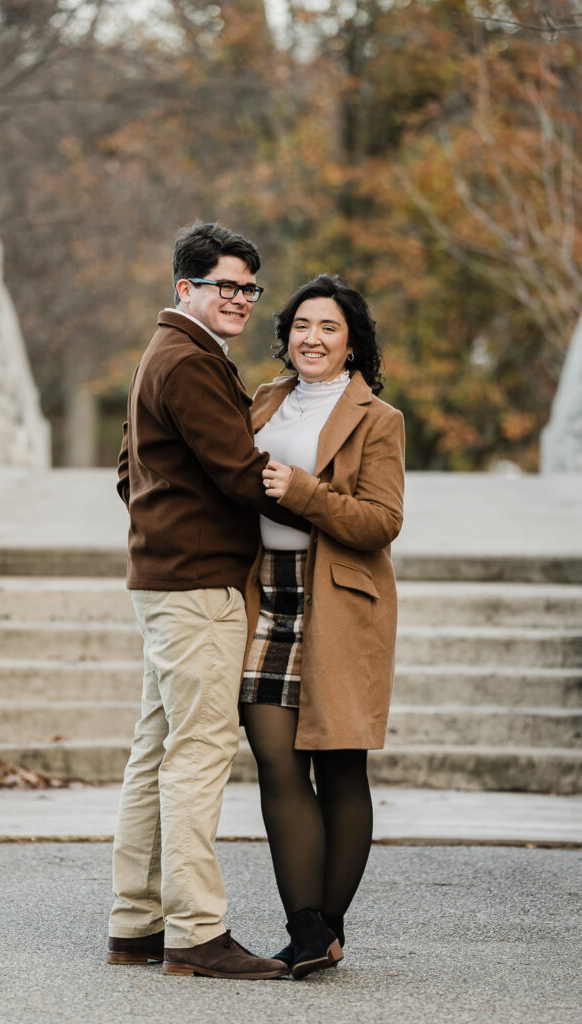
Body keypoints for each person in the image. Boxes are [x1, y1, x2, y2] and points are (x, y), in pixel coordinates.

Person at [107, 221, 309, 980]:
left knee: (155, 751)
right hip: (196, 586)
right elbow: (238, 471)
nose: (241, 300)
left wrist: (164, 515)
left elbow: (128, 471)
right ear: (185, 288)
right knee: (196, 756)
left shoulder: (163, 354)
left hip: (164, 579)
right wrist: (329, 509)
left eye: (250, 289)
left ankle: (136, 921)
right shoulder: (189, 360)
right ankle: (195, 932)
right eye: (226, 285)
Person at [239, 273, 405, 980]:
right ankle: (305, 925)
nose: (312, 338)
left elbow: (380, 520)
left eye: (328, 327)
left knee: (339, 762)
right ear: (287, 337)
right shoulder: (263, 401)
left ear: (351, 342)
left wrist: (303, 492)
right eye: (301, 325)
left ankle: (324, 929)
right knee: (274, 756)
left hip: (337, 598)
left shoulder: (377, 418)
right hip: (265, 598)